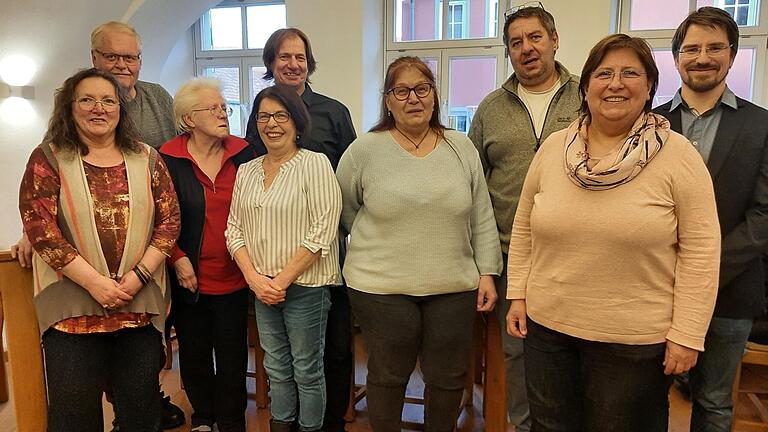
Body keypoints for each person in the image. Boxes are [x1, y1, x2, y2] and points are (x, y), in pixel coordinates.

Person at [505, 34, 721, 431]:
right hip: (548, 329)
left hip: (634, 342)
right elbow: (523, 227)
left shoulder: (677, 155)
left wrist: (688, 334)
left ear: (650, 86)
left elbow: (702, 251)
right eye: (604, 73)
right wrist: (518, 293)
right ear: (586, 87)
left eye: (630, 73)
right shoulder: (554, 149)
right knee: (549, 425)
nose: (615, 83)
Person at [336, 56, 502, 432]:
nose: (413, 98)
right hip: (380, 286)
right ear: (388, 100)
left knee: (447, 377)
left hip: (453, 285)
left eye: (422, 89)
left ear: (434, 96)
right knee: (388, 374)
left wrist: (488, 272)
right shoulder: (365, 150)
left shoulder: (461, 147)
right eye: (402, 90)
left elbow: (481, 214)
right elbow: (345, 211)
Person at [18, 67, 180, 431]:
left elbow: (169, 223)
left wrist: (137, 277)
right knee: (74, 415)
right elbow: (40, 228)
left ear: (120, 109)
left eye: (108, 100)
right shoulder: (48, 157)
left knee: (141, 412)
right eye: (87, 99)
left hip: (137, 305)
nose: (98, 108)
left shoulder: (148, 158)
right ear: (69, 107)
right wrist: (95, 283)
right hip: (72, 312)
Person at [653, 7, 768, 431]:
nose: (703, 57)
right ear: (677, 57)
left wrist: (703, 269)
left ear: (732, 55)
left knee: (715, 403)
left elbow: (764, 215)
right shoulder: (651, 124)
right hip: (655, 287)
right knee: (649, 398)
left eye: (715, 47)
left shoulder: (762, 126)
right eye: (692, 48)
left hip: (730, 290)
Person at [467, 4, 580, 429]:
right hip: (508, 255)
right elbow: (475, 185)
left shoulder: (585, 96)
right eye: (516, 43)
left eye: (534, 38)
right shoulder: (491, 107)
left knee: (569, 351)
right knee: (516, 355)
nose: (526, 48)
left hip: (571, 254)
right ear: (508, 53)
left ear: (553, 40)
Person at [244, 27, 356, 432]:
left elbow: (350, 178)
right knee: (280, 357)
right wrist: (261, 275)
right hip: (268, 261)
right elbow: (252, 183)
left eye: (300, 57)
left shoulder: (334, 112)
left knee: (334, 348)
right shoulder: (261, 115)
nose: (293, 64)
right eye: (284, 57)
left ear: (309, 63)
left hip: (322, 254)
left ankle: (329, 424)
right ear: (271, 64)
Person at [226, 84, 342, 432]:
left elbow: (323, 230)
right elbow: (234, 229)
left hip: (305, 286)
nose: (272, 124)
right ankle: (281, 425)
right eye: (264, 116)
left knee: (307, 369)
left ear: (296, 121)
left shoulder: (315, 164)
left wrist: (280, 281)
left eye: (281, 115)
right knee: (275, 368)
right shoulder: (247, 170)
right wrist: (255, 280)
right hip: (261, 288)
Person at [159, 78, 255, 432]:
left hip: (237, 274)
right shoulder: (166, 157)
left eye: (222, 107)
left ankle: (231, 421)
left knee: (232, 354)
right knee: (195, 353)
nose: (222, 113)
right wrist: (176, 257)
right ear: (188, 119)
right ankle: (203, 417)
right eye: (212, 108)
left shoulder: (244, 152)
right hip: (188, 275)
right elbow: (157, 216)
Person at [91, 21, 176, 148]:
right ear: (94, 58)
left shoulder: (158, 95)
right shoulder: (78, 103)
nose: (121, 65)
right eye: (111, 57)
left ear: (140, 61)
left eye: (129, 58)